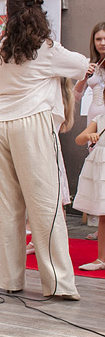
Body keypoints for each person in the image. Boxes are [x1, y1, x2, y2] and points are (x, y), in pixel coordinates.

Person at [0, 0, 89, 300]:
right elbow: (82, 65)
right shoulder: (45, 47)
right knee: (46, 204)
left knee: (6, 207)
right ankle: (58, 283)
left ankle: (8, 279)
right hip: (30, 124)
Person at [73, 21, 105, 242]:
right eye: (98, 39)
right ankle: (100, 224)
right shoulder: (90, 64)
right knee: (97, 174)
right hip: (94, 119)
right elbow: (75, 96)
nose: (102, 43)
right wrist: (84, 76)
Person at [73, 113, 105, 271]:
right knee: (103, 214)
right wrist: (89, 135)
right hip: (101, 166)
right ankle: (101, 259)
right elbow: (79, 139)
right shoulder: (100, 118)